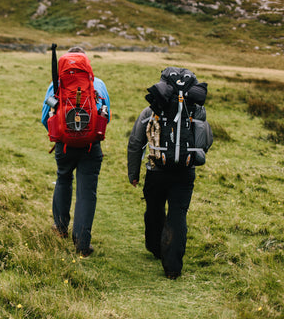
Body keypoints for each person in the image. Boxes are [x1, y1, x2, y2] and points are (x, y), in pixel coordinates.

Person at [127, 67, 209, 279]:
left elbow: (136, 142)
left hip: (156, 170)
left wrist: (133, 173)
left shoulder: (151, 110)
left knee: (154, 209)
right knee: (177, 215)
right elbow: (206, 140)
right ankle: (172, 268)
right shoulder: (197, 110)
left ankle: (155, 248)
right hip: (185, 172)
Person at [41, 46, 110, 257]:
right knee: (86, 193)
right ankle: (82, 244)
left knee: (63, 179)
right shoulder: (97, 84)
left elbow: (45, 117)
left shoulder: (56, 84)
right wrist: (89, 134)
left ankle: (61, 228)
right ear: (87, 63)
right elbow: (105, 117)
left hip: (64, 145)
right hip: (91, 146)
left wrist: (62, 134)